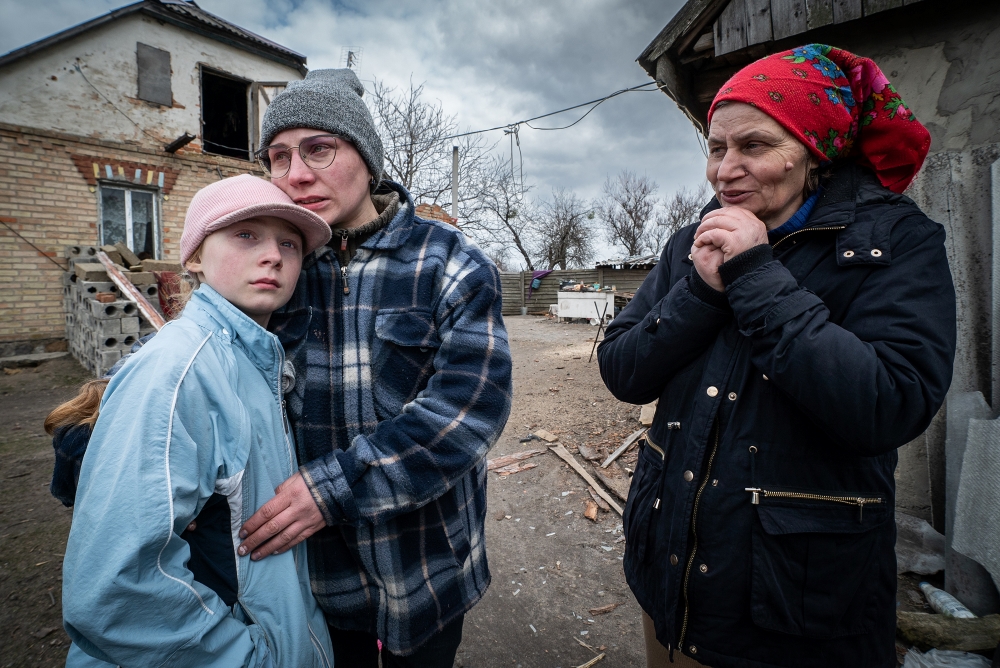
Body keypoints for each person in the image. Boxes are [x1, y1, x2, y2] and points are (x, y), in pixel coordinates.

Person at [598, 44, 956, 668]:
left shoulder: (895, 239)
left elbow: (890, 404)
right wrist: (702, 291)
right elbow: (623, 370)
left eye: (754, 146)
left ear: (814, 150)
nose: (723, 170)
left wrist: (755, 276)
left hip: (797, 610)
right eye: (716, 148)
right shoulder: (692, 241)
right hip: (672, 582)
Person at [232, 69, 513, 666]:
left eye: (319, 149)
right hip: (316, 579)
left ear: (368, 157)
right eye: (277, 158)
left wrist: (334, 487)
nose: (296, 174)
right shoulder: (273, 268)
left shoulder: (449, 262)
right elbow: (210, 364)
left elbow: (468, 413)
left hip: (426, 566)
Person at [61, 174, 335, 667]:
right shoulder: (181, 370)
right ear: (193, 257)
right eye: (246, 235)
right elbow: (114, 594)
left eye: (289, 243)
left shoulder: (258, 361)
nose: (273, 255)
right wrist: (250, 660)